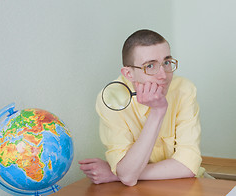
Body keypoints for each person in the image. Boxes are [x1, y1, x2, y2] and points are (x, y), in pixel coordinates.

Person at [79, 29, 206, 186]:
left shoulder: (184, 90)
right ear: (129, 74)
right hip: (138, 194)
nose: (163, 75)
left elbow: (188, 166)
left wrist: (118, 175)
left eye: (166, 62)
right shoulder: (111, 99)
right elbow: (128, 177)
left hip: (188, 186)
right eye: (150, 66)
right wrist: (158, 112)